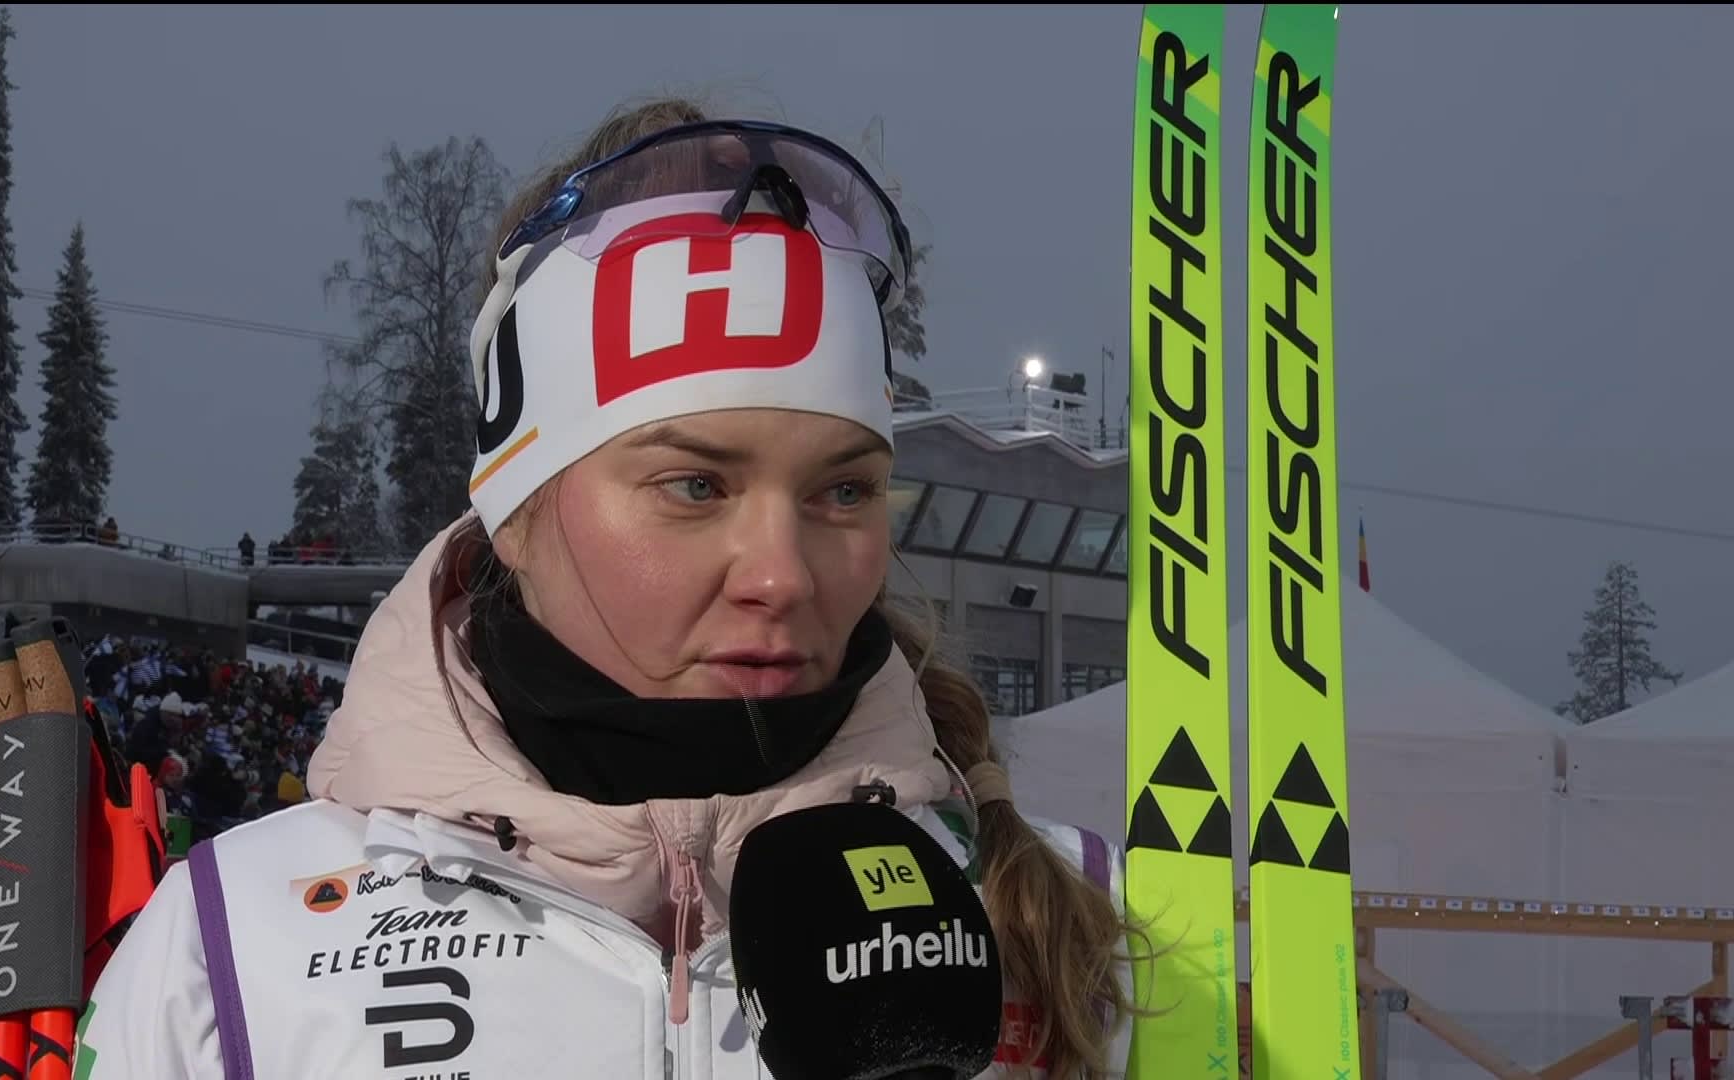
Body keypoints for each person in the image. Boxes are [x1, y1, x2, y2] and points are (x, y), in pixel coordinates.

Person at [76, 99, 1133, 1079]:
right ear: (518, 509)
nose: (781, 575)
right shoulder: (231, 952)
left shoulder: (1094, 919)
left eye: (842, 490)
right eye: (695, 486)